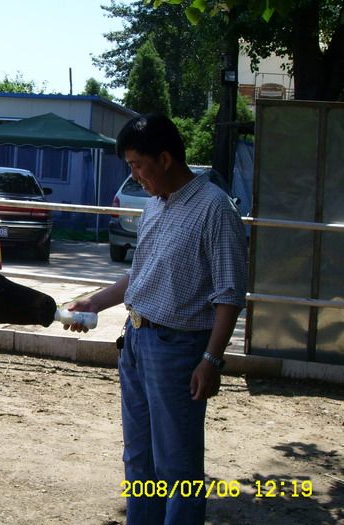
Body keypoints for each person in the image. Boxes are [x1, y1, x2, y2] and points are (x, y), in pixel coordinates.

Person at [65, 113, 247, 525]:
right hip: (137, 341)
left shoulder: (214, 209)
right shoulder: (154, 207)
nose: (135, 175)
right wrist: (95, 302)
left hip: (179, 350)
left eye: (136, 165)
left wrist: (211, 360)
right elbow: (139, 275)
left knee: (177, 465)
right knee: (139, 456)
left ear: (165, 159)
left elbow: (230, 294)